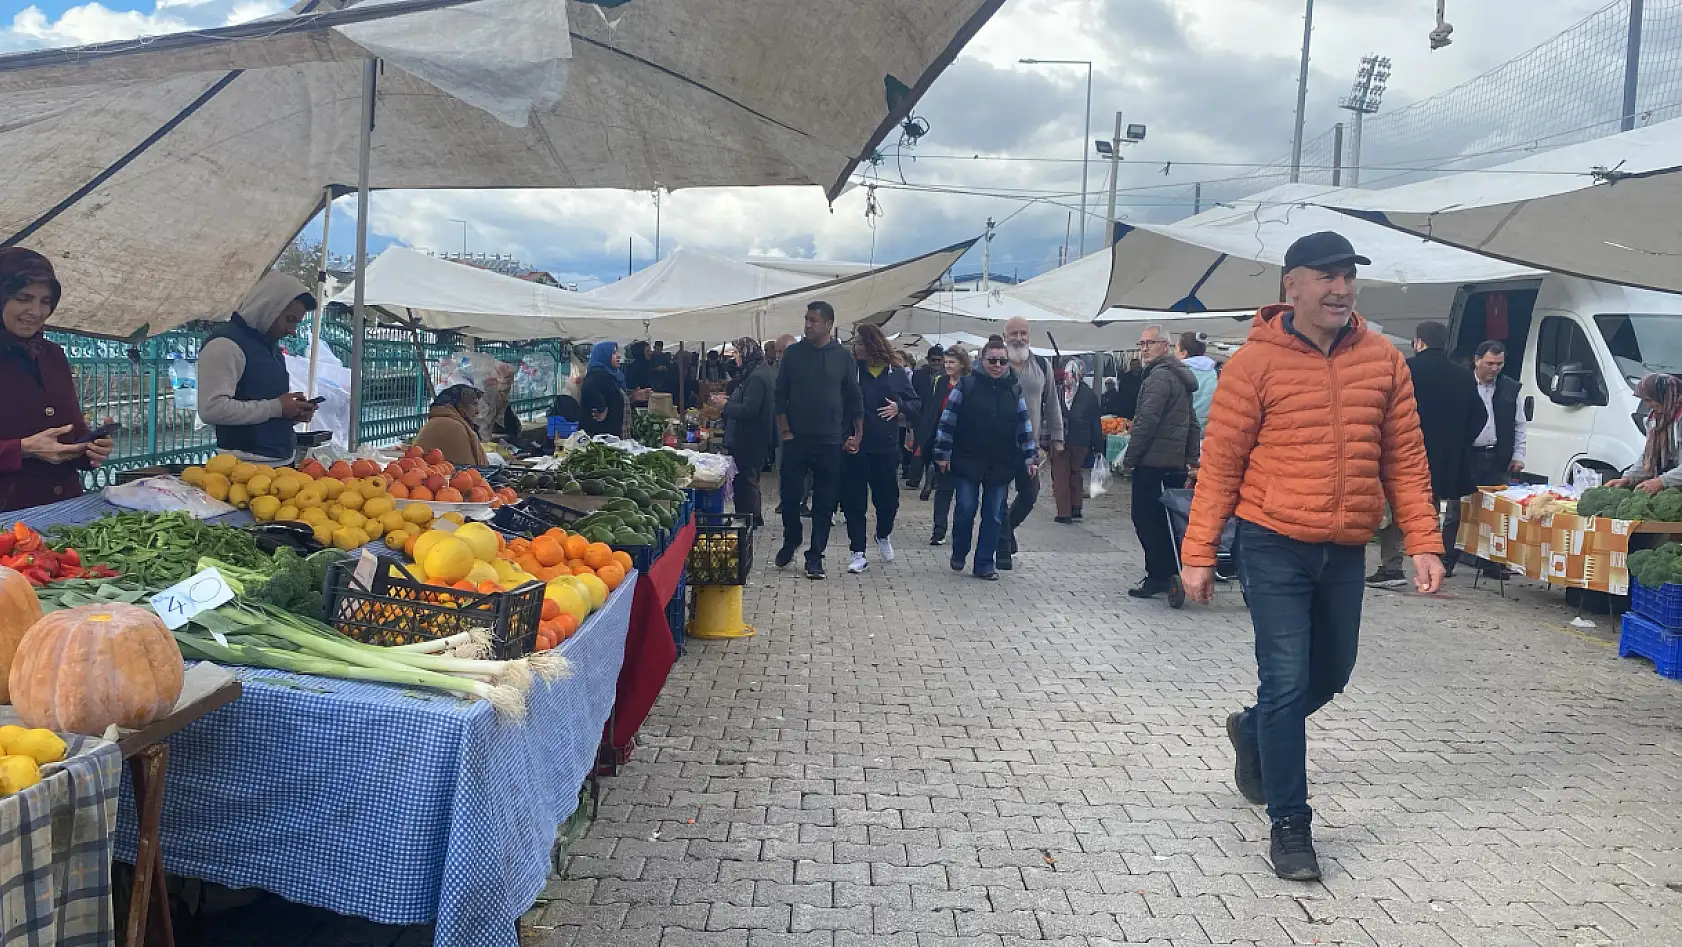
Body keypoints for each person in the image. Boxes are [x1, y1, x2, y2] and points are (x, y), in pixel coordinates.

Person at [1181, 231, 1443, 882]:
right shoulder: (1252, 364)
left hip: (1346, 546)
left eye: (1349, 274)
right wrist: (1198, 550)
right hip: (1273, 539)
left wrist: (1424, 541)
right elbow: (1220, 465)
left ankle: (1251, 727)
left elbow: (1405, 460)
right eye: (1326, 275)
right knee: (1288, 679)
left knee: (1332, 672)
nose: (1341, 286)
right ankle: (1291, 824)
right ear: (1289, 285)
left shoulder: (1383, 360)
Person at [1369, 322, 1488, 588]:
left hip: (1403, 451)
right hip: (1444, 457)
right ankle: (1427, 566)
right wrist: (1458, 442)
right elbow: (1479, 416)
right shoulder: (1463, 376)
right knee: (1427, 507)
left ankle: (1392, 567)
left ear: (1418, 342)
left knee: (1395, 506)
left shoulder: (1405, 369)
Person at [0, 248, 113, 512]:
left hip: (66, 511)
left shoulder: (53, 355)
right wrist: (22, 449)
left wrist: (90, 446)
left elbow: (69, 431)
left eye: (45, 301)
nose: (35, 311)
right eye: (23, 298)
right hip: (9, 524)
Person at [932, 336, 1037, 580]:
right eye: (993, 360)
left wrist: (1030, 456)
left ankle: (984, 564)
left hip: (1001, 462)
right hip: (968, 458)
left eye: (1002, 360)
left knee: (993, 514)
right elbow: (948, 420)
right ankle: (960, 550)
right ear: (983, 360)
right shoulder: (967, 385)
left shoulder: (1013, 388)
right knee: (966, 508)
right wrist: (942, 453)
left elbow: (1024, 425)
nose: (998, 365)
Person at [774, 302, 863, 580]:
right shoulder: (793, 354)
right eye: (806, 319)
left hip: (830, 441)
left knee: (824, 503)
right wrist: (785, 430)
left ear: (828, 324)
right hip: (797, 439)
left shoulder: (843, 357)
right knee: (789, 497)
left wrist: (858, 434)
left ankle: (815, 556)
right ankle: (792, 538)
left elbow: (854, 398)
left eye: (814, 320)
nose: (808, 324)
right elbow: (780, 395)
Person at [197, 270, 318, 464]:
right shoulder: (224, 345)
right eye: (289, 319)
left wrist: (292, 412)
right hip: (243, 468)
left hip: (282, 463)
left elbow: (264, 406)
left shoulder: (270, 346)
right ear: (268, 308)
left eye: (297, 323)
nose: (292, 330)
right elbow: (211, 409)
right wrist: (277, 407)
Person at [1121, 325, 1201, 599]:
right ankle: (1170, 572)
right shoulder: (1179, 377)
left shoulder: (1158, 377)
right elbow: (1192, 422)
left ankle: (1160, 575)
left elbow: (1146, 422)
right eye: (1141, 343)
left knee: (1146, 518)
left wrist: (1129, 459)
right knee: (1167, 520)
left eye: (1149, 343)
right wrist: (1192, 458)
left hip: (1153, 461)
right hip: (1174, 462)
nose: (1143, 349)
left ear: (1164, 347)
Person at [841, 324, 919, 573]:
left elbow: (916, 402)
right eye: (856, 343)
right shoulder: (852, 372)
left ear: (874, 344)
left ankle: (883, 534)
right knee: (854, 502)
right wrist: (845, 436)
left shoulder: (895, 373)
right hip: (856, 447)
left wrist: (900, 408)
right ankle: (858, 552)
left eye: (861, 343)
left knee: (888, 501)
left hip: (885, 447)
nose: (857, 348)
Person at [999, 317, 1064, 570]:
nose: (1019, 338)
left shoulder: (1041, 365)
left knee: (1029, 495)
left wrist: (1057, 437)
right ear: (1005, 336)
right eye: (1013, 333)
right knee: (998, 498)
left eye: (1023, 333)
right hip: (1000, 445)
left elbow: (1052, 402)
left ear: (1029, 335)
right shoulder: (996, 364)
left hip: (1031, 448)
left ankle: (1008, 529)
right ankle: (1002, 549)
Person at [717, 336, 775, 526]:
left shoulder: (757, 376)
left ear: (747, 353)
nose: (734, 357)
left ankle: (748, 519)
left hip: (750, 437)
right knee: (748, 478)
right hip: (752, 436)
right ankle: (751, 516)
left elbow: (749, 410)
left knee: (746, 479)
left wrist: (725, 405)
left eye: (737, 352)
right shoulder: (755, 372)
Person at [920, 347, 970, 542]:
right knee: (943, 488)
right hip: (942, 440)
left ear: (962, 364)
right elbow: (932, 410)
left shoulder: (969, 384)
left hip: (964, 443)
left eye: (951, 362)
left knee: (964, 494)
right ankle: (938, 530)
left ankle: (960, 530)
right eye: (945, 362)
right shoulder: (940, 382)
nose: (947, 366)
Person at [1609, 373, 1682, 493]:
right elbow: (1648, 457)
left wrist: (1661, 481)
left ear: (1665, 396)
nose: (1647, 405)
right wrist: (1628, 478)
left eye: (1649, 400)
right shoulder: (1656, 420)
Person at [1051, 356, 1103, 524]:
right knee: (1075, 472)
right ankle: (1076, 507)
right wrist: (1098, 446)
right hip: (1082, 440)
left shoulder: (1058, 392)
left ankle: (1064, 512)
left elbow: (1050, 415)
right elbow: (1095, 422)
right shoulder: (1089, 394)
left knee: (1061, 475)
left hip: (1061, 438)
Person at [415, 385, 490, 466]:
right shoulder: (452, 427)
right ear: (460, 406)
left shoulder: (440, 421)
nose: (477, 411)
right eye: (474, 404)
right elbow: (470, 469)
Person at [906, 345, 944, 486]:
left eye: (938, 360)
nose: (936, 363)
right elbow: (912, 395)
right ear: (928, 359)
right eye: (933, 360)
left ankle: (932, 480)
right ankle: (915, 478)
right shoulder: (919, 374)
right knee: (919, 447)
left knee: (935, 448)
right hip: (921, 417)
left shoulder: (947, 375)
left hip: (940, 417)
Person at [579, 341, 630, 438]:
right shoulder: (597, 374)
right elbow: (590, 391)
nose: (618, 356)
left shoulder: (610, 375)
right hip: (600, 435)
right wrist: (600, 408)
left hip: (610, 434)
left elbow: (612, 399)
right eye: (613, 353)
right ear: (603, 355)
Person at [1178, 332, 1219, 432]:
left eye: (1176, 349)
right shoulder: (1213, 373)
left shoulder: (1180, 373)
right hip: (1207, 431)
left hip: (1184, 432)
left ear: (1184, 353)